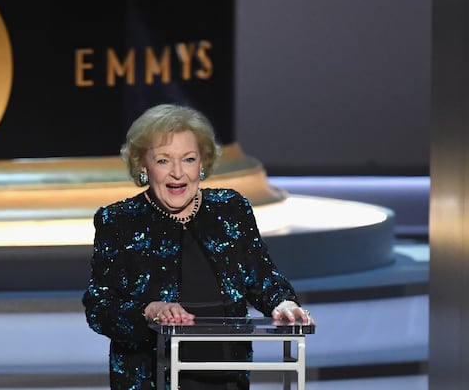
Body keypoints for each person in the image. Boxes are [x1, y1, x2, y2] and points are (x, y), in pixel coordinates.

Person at [82, 104, 313, 390]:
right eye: (163, 161)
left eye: (188, 159)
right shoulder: (119, 221)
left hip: (226, 379)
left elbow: (262, 278)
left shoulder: (230, 209)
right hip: (152, 380)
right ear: (143, 165)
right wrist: (147, 311)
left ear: (202, 164)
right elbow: (100, 308)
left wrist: (283, 303)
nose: (178, 173)